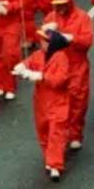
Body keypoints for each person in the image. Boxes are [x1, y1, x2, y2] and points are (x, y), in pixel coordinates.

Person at [39, 0, 93, 150]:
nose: (60, 8)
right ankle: (60, 134)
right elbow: (43, 44)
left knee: (78, 100)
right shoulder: (50, 18)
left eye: (62, 5)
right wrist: (45, 32)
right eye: (57, 6)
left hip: (77, 65)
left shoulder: (82, 18)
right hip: (57, 66)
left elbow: (87, 41)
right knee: (58, 104)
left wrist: (70, 38)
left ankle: (75, 133)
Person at [14, 33, 72, 180]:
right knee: (43, 130)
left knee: (56, 133)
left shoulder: (61, 58)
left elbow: (60, 80)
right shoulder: (39, 54)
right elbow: (29, 62)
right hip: (41, 101)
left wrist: (40, 76)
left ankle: (56, 165)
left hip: (58, 101)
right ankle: (49, 158)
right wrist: (21, 67)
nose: (41, 43)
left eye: (45, 41)